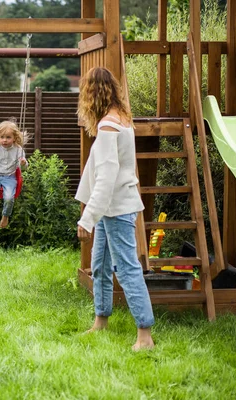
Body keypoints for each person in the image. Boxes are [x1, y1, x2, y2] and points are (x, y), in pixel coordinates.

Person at [75, 67, 155, 351]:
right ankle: (101, 321)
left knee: (127, 269)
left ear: (92, 94)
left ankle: (144, 335)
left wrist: (88, 218)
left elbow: (107, 177)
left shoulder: (110, 126)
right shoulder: (120, 119)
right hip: (113, 208)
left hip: (117, 208)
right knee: (99, 265)